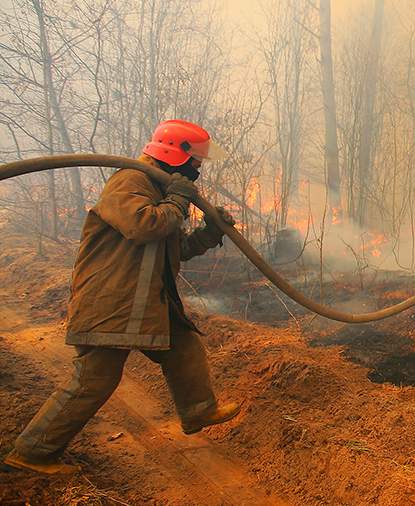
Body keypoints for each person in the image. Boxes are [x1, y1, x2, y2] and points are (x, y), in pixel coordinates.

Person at [4, 119, 240, 474]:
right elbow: (145, 226)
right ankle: (31, 452)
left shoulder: (160, 189)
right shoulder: (130, 181)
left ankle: (198, 409)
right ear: (177, 153)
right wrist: (177, 199)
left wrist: (209, 232)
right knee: (94, 380)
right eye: (196, 161)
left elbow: (174, 249)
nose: (198, 168)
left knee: (184, 344)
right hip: (112, 302)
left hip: (144, 301)